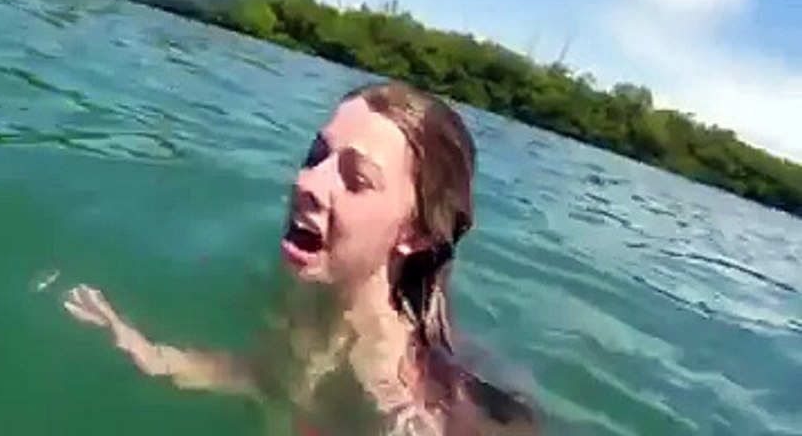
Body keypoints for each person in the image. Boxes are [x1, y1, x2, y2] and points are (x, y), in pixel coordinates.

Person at [62, 80, 541, 435]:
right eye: (318, 154)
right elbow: (271, 374)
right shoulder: (325, 304)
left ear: (414, 235)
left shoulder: (398, 404)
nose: (307, 182)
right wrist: (152, 354)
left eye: (356, 179)